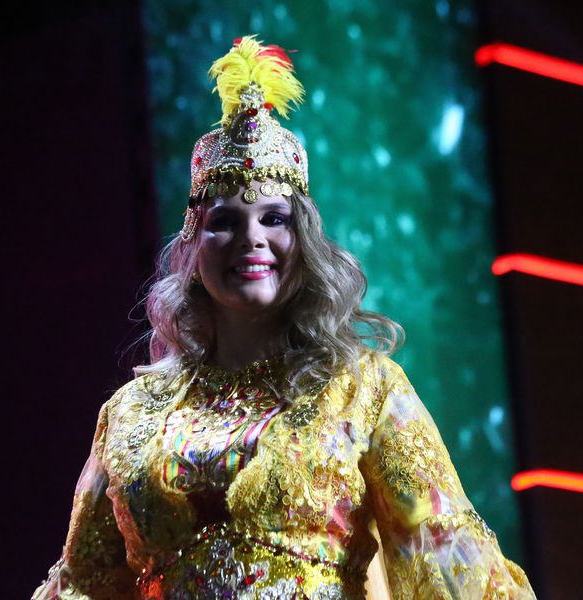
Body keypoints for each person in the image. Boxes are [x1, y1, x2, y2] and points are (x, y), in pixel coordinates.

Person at [33, 35, 535, 600]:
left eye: (274, 218)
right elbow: (84, 584)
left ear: (306, 242)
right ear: (193, 246)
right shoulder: (131, 414)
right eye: (225, 221)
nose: (251, 239)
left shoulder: (364, 390)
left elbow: (446, 558)